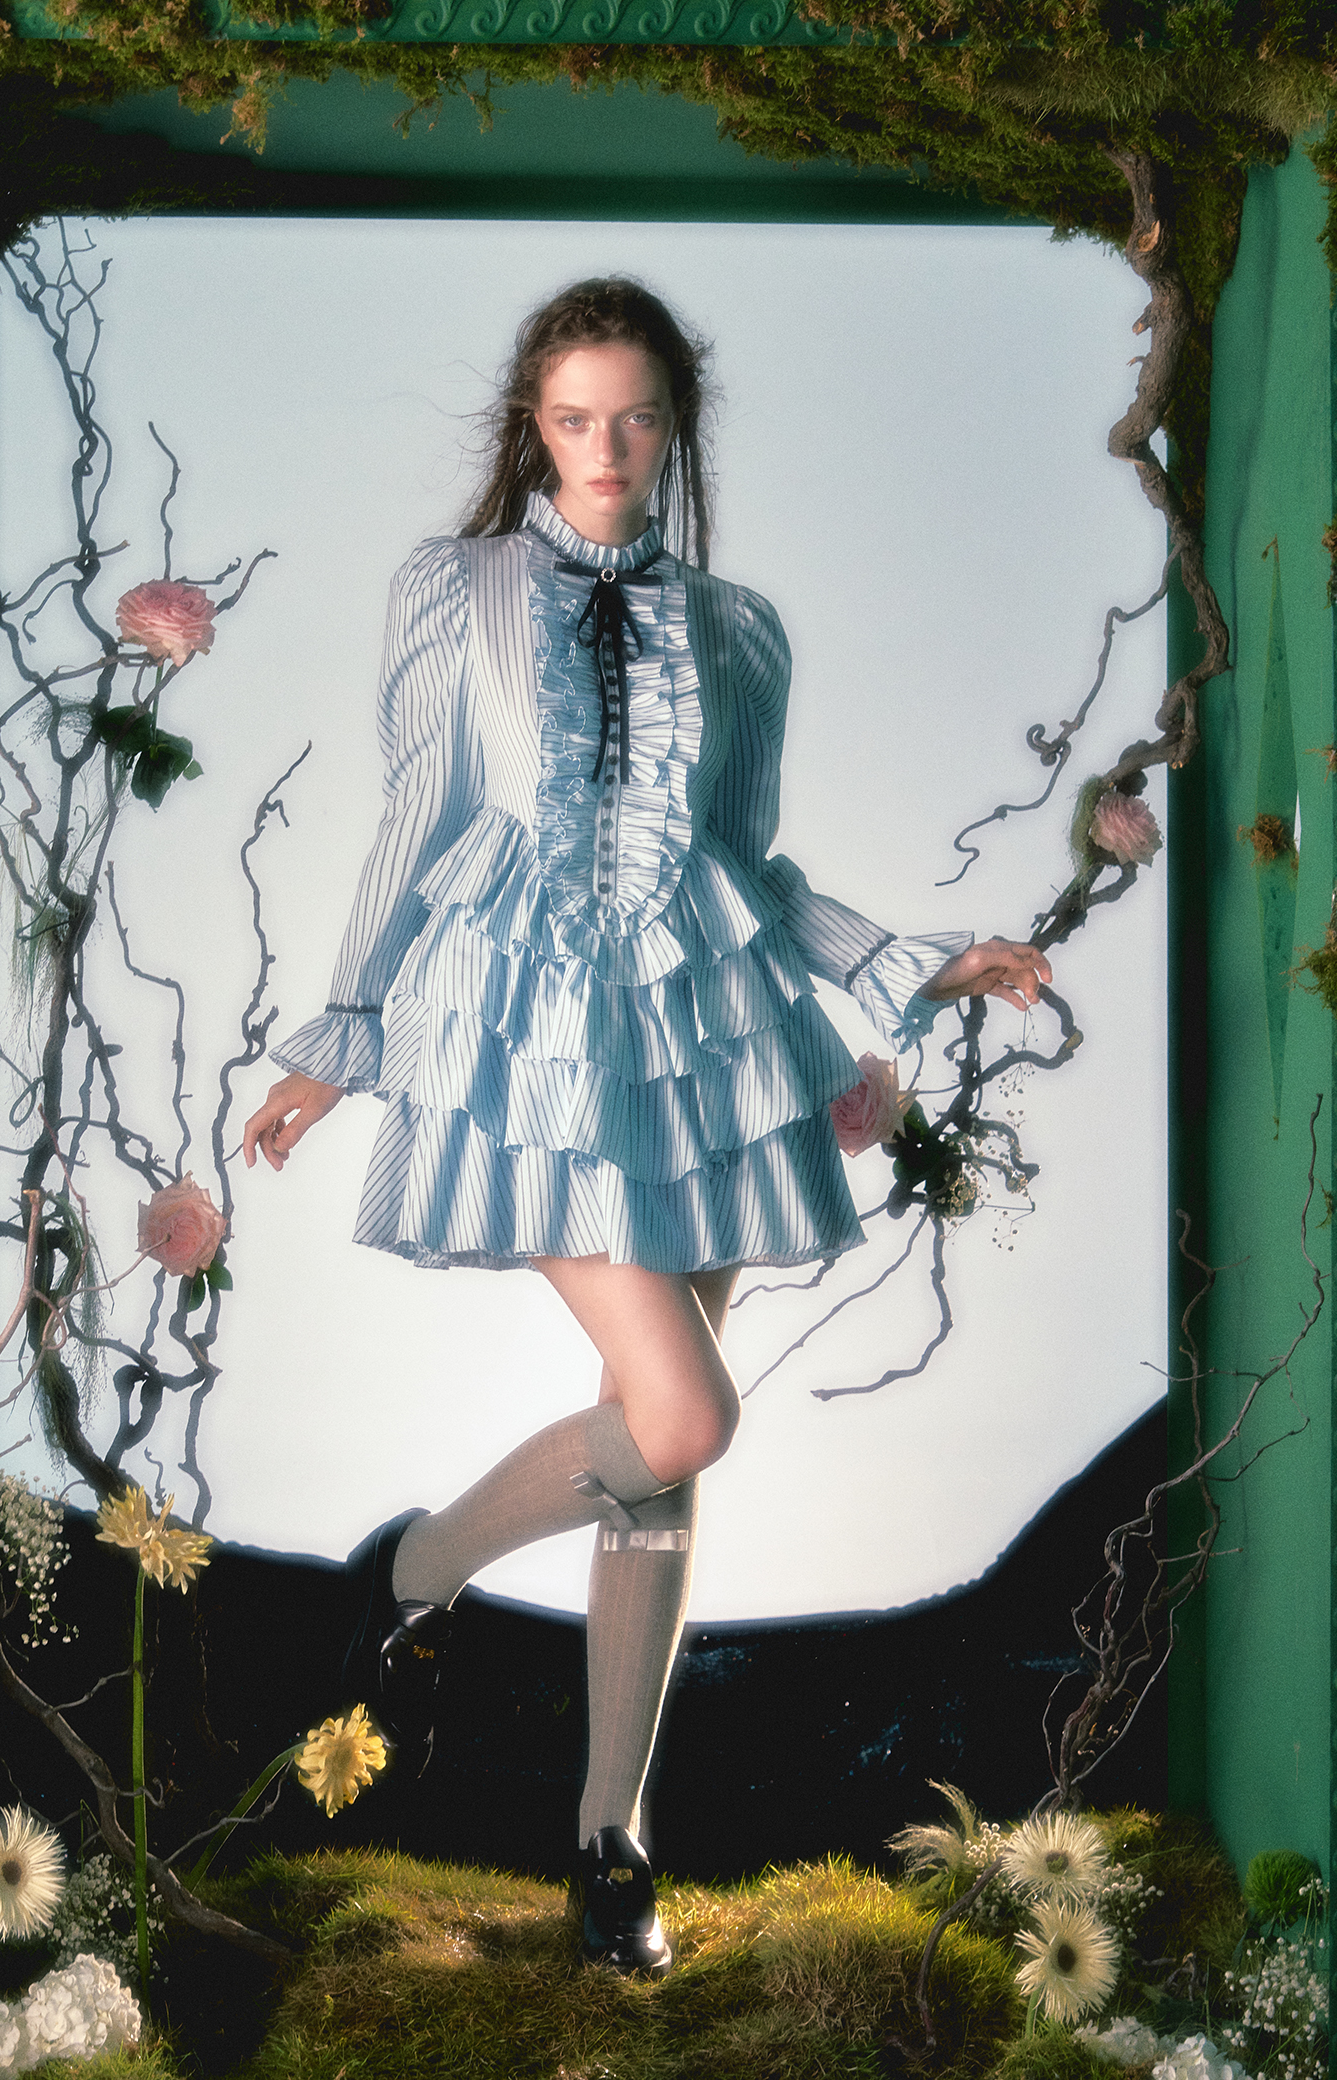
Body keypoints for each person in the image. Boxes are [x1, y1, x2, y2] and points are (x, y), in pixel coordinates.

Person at [241, 277, 1050, 1977]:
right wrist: (345, 1035)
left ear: (677, 425)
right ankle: (417, 1572)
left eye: (634, 419)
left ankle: (611, 1841)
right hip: (523, 1034)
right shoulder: (457, 588)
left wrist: (909, 966)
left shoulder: (741, 632)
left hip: (709, 1041)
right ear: (531, 427)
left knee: (656, 1467)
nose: (604, 450)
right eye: (573, 420)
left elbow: (749, 863)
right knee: (681, 1415)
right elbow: (415, 815)